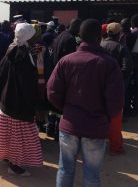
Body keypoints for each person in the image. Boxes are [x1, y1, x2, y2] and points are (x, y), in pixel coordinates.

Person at [47, 19, 124, 187]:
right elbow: (116, 102)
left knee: (65, 169)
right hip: (95, 127)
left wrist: (66, 109)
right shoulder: (109, 64)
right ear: (99, 37)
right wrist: (104, 117)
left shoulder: (66, 61)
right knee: (92, 174)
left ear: (80, 36)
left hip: (69, 125)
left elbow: (52, 92)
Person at [0, 23, 43, 176]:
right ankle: (15, 166)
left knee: (9, 135)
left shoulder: (12, 50)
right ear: (28, 38)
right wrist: (34, 106)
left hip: (6, 103)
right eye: (33, 36)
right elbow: (26, 85)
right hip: (18, 105)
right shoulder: (24, 57)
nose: (35, 39)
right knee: (19, 138)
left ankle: (9, 158)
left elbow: (0, 76)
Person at [100, 22, 131, 155]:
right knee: (115, 118)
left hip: (99, 87)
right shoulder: (121, 48)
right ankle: (116, 147)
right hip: (115, 90)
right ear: (119, 34)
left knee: (101, 116)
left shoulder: (99, 45)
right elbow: (127, 68)